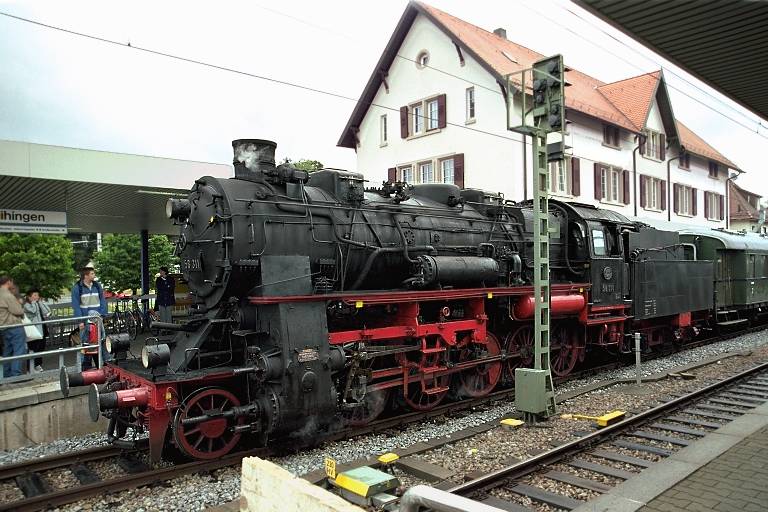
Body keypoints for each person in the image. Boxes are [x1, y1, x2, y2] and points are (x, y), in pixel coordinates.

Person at [71, 267, 108, 369]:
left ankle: (100, 365)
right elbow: (76, 305)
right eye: (92, 273)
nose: (94, 275)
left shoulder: (97, 286)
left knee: (100, 341)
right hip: (85, 320)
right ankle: (85, 367)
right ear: (86, 276)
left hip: (97, 319)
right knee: (86, 343)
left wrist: (102, 315)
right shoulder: (77, 288)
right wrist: (80, 321)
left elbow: (102, 301)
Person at [0, 276, 27, 378]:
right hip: (13, 325)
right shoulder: (7, 295)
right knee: (19, 350)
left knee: (7, 351)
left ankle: (6, 374)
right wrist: (20, 304)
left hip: (3, 327)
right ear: (8, 282)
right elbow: (18, 311)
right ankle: (16, 374)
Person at [24, 289, 52, 372]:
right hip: (33, 330)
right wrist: (34, 303)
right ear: (29, 297)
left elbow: (47, 312)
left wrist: (40, 302)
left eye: (38, 295)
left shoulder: (37, 303)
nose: (37, 297)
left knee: (41, 347)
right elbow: (33, 311)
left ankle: (38, 365)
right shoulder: (26, 305)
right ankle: (31, 367)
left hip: (41, 328)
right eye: (35, 295)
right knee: (33, 348)